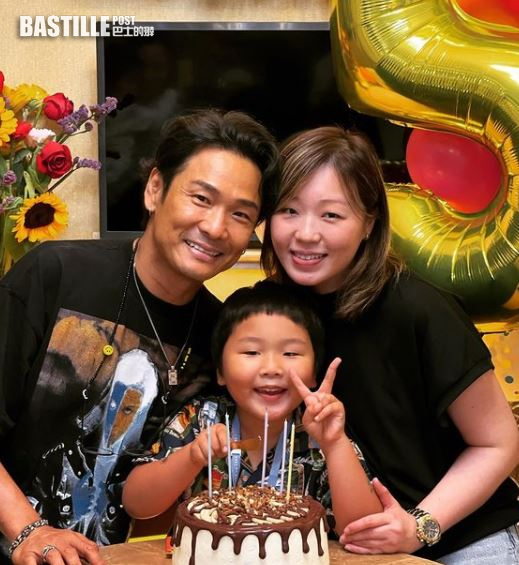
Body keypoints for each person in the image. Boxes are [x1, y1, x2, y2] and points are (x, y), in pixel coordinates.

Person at [0, 109, 280, 565]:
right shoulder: (55, 275)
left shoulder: (223, 335)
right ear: (155, 189)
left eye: (240, 214)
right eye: (201, 198)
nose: (215, 227)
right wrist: (29, 531)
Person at [260, 125, 519, 564]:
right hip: (349, 548)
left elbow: (498, 444)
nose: (305, 233)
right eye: (289, 210)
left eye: (331, 215)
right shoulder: (271, 314)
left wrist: (420, 526)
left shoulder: (419, 308)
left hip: (463, 541)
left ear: (369, 222)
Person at [122, 282, 382, 534]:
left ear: (314, 372)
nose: (271, 368)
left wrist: (335, 444)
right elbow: (136, 504)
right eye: (251, 352)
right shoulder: (202, 418)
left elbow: (363, 528)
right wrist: (191, 457)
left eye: (291, 353)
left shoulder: (322, 434)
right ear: (220, 371)